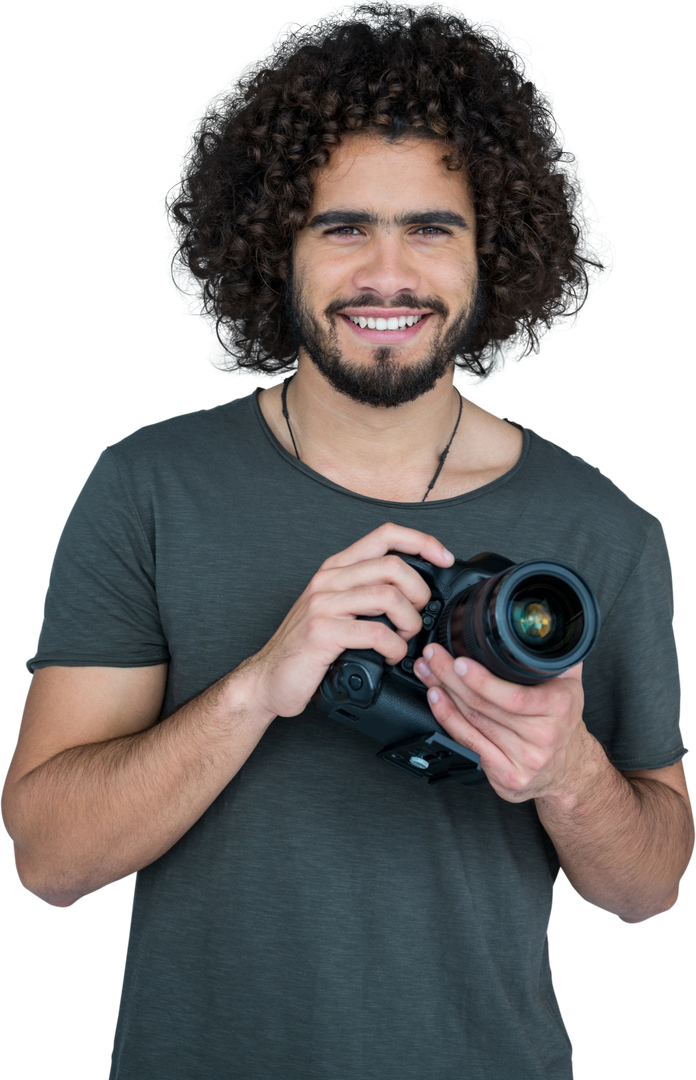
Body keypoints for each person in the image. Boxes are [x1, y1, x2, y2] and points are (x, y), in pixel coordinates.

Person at [2, 3, 692, 1078]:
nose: (386, 273)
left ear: (493, 249)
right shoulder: (149, 485)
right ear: (273, 242)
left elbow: (651, 889)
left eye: (431, 227)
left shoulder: (600, 528)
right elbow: (47, 861)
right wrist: (260, 686)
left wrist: (567, 773)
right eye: (342, 226)